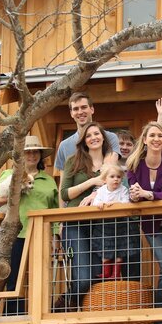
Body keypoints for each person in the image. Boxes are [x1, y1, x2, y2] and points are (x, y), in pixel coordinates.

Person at [0, 135, 58, 318]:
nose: (32, 155)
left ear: (41, 156)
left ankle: (40, 320)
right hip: (14, 234)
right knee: (14, 279)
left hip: (41, 235)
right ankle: (13, 321)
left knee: (40, 279)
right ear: (21, 155)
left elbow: (55, 211)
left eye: (35, 152)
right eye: (27, 152)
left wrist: (56, 236)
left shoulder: (48, 181)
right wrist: (12, 195)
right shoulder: (8, 175)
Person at [56, 122, 114, 311]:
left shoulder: (110, 162)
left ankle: (68, 305)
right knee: (83, 277)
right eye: (89, 136)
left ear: (103, 137)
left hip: (101, 224)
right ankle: (67, 303)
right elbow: (65, 193)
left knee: (97, 275)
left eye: (97, 134)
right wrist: (92, 181)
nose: (93, 138)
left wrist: (96, 193)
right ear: (84, 141)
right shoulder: (74, 160)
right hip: (76, 223)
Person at [126, 122, 162, 309]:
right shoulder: (134, 163)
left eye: (160, 136)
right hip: (151, 223)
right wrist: (134, 196)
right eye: (152, 136)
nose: (156, 139)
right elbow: (134, 193)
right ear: (144, 140)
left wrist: (146, 195)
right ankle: (161, 311)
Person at [54, 92, 121, 175]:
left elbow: (109, 166)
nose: (80, 112)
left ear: (92, 109)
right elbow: (64, 182)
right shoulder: (64, 146)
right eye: (75, 109)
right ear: (71, 113)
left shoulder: (110, 137)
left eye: (84, 107)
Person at [91, 164, 132, 279]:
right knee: (105, 249)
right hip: (105, 225)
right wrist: (100, 204)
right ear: (105, 179)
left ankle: (116, 274)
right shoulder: (101, 191)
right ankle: (106, 272)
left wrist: (113, 204)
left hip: (120, 225)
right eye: (112, 176)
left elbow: (125, 203)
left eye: (118, 177)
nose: (116, 179)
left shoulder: (123, 190)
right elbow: (96, 203)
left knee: (119, 251)